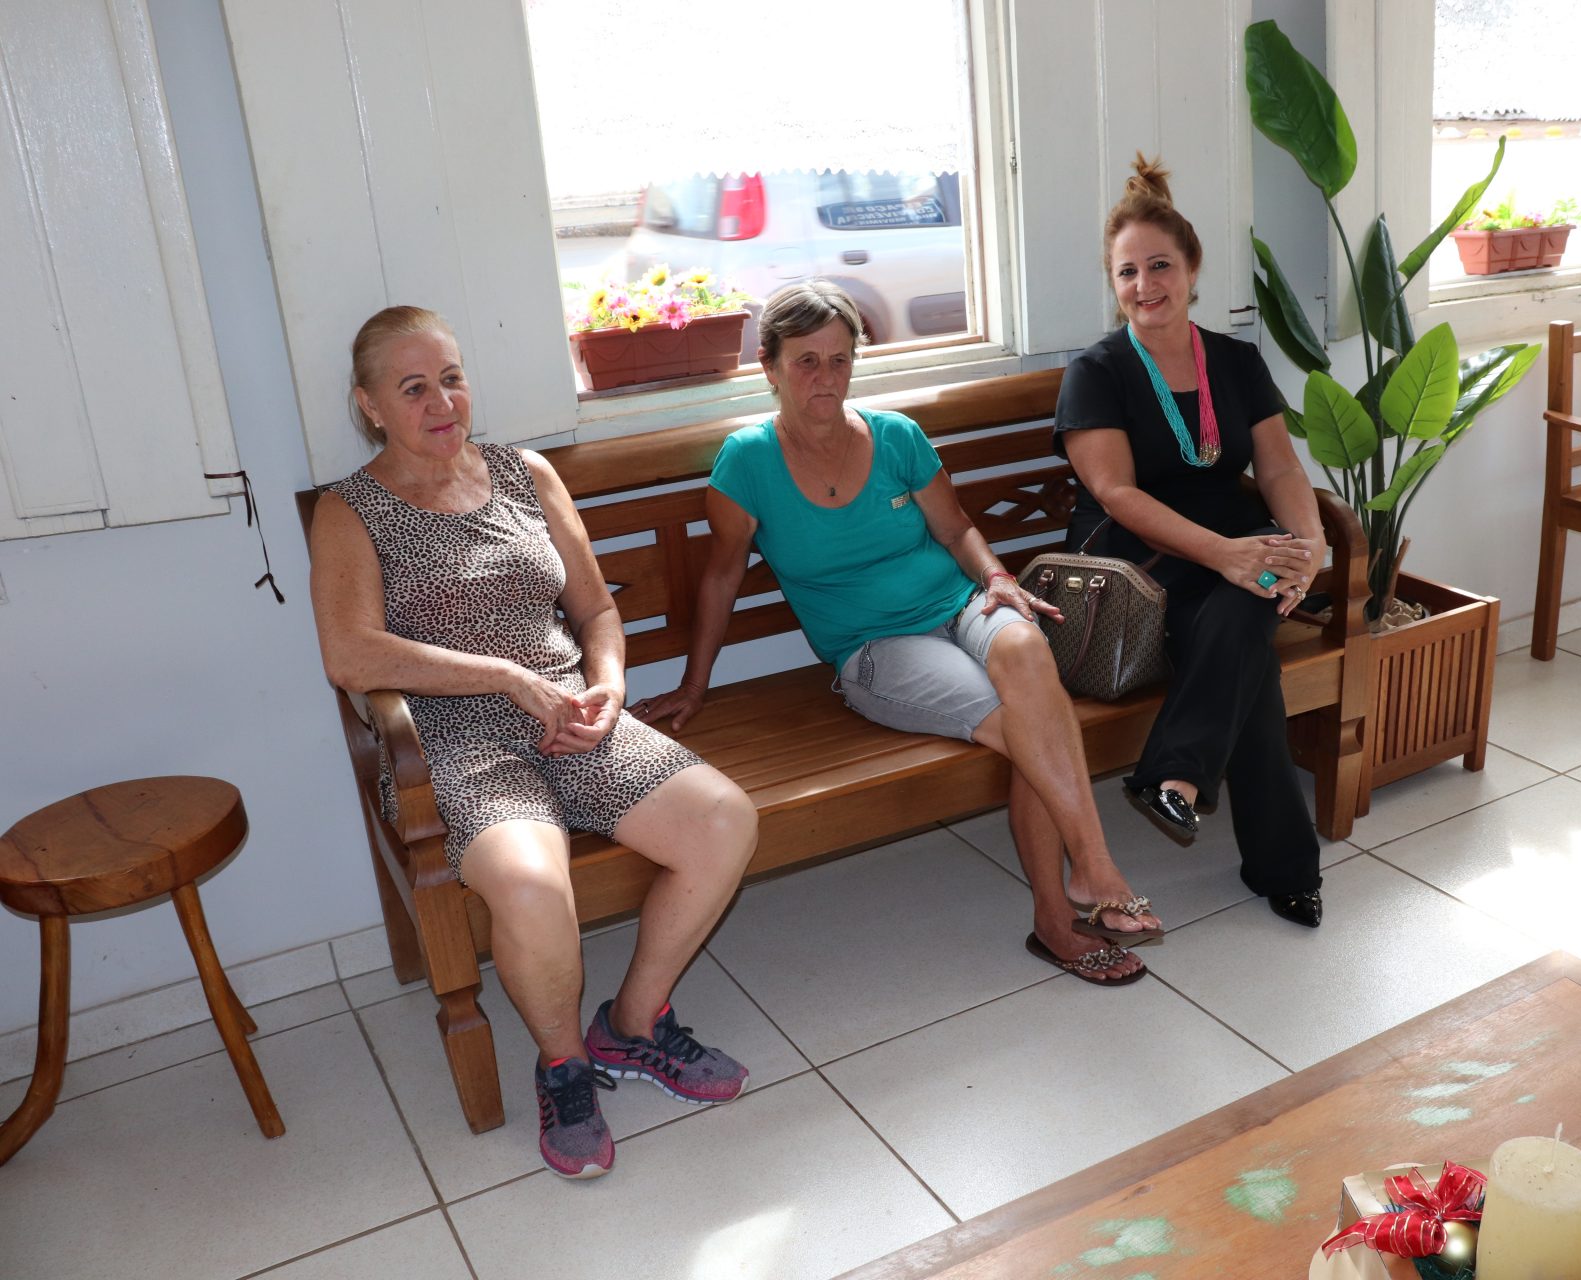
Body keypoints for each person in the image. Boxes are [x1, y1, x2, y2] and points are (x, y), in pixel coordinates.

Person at [309, 306, 758, 1180]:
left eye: (451, 378)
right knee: (530, 887)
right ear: (369, 405)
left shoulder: (524, 473)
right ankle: (565, 1067)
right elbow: (349, 654)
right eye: (413, 388)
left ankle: (632, 1024)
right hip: (456, 739)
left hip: (575, 717)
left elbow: (596, 611)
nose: (442, 402)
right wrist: (509, 678)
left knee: (724, 819)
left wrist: (608, 688)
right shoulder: (349, 510)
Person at [641, 280, 1162, 984]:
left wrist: (997, 579)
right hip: (876, 648)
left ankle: (1088, 873)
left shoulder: (896, 437)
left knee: (1025, 651)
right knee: (1031, 725)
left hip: (960, 606)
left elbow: (956, 529)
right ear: (770, 368)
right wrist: (693, 685)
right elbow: (721, 577)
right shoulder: (748, 462)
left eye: (840, 359)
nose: (826, 377)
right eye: (806, 361)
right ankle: (1067, 901)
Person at [1054, 155, 1326, 928]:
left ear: (1193, 269)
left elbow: (1279, 466)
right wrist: (1230, 557)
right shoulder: (1096, 372)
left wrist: (1308, 544)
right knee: (1248, 622)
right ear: (1113, 282)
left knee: (1249, 608)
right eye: (1127, 271)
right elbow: (1116, 493)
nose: (1145, 285)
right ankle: (1282, 865)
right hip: (1133, 559)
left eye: (1160, 266)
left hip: (1229, 544)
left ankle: (1174, 778)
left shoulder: (1235, 360)